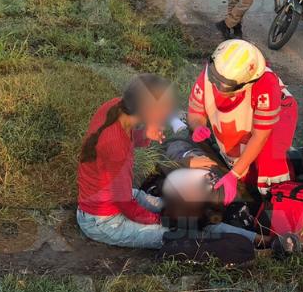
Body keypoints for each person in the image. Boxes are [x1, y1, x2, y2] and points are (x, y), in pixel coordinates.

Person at [76, 74, 257, 248]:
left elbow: (124, 141)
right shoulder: (116, 148)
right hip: (104, 220)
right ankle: (254, 244)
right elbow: (124, 203)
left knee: (187, 214)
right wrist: (163, 221)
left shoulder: (116, 107)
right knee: (182, 232)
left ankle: (258, 238)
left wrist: (144, 134)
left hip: (118, 196)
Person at [188, 39, 298, 204]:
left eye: (224, 85)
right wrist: (197, 126)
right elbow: (195, 112)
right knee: (235, 155)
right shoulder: (214, 71)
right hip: (242, 114)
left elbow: (260, 136)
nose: (216, 85)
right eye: (214, 78)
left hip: (279, 114)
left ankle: (278, 200)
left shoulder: (266, 85)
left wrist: (233, 175)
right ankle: (250, 188)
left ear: (243, 84)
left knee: (269, 159)